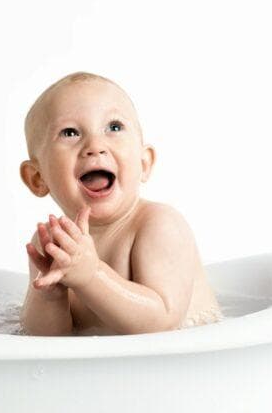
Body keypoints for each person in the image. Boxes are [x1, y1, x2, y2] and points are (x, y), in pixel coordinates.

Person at [19, 71, 224, 335]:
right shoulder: (52, 243)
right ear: (37, 178)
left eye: (114, 127)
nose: (95, 145)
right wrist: (49, 297)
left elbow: (163, 323)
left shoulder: (158, 225)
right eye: (70, 133)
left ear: (144, 163)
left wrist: (92, 276)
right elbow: (45, 340)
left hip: (185, 364)